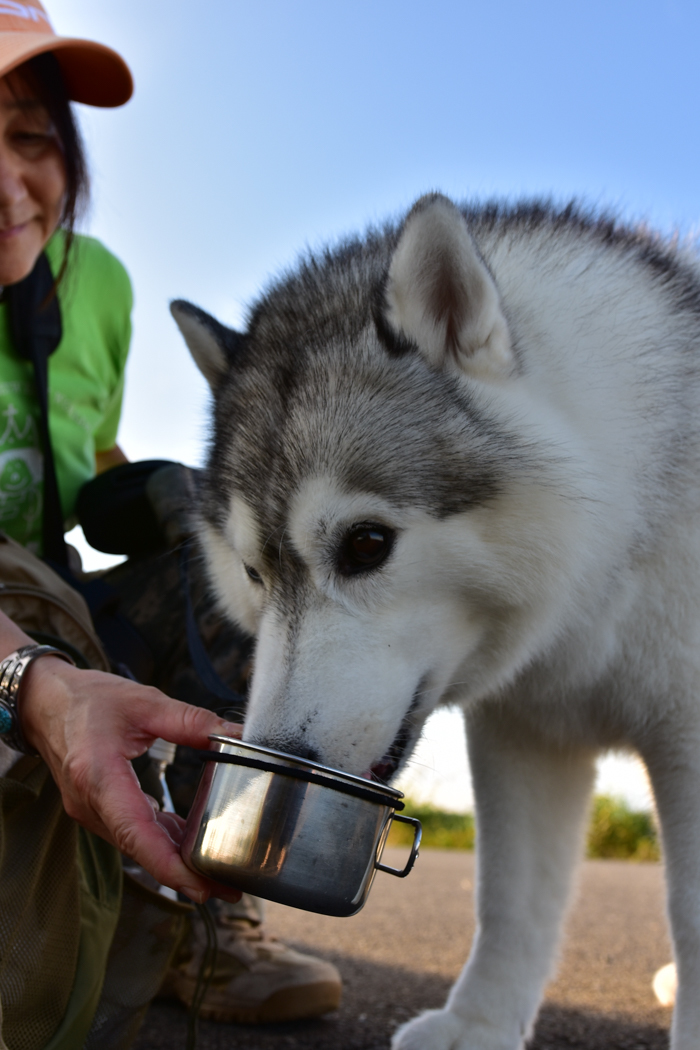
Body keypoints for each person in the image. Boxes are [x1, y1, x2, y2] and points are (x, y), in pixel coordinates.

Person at [0, 5, 339, 1047]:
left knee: (237, 555)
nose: (8, 184)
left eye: (29, 137)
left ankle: (195, 913)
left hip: (47, 599)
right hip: (15, 629)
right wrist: (31, 682)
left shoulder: (97, 283)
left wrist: (143, 490)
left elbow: (85, 442)